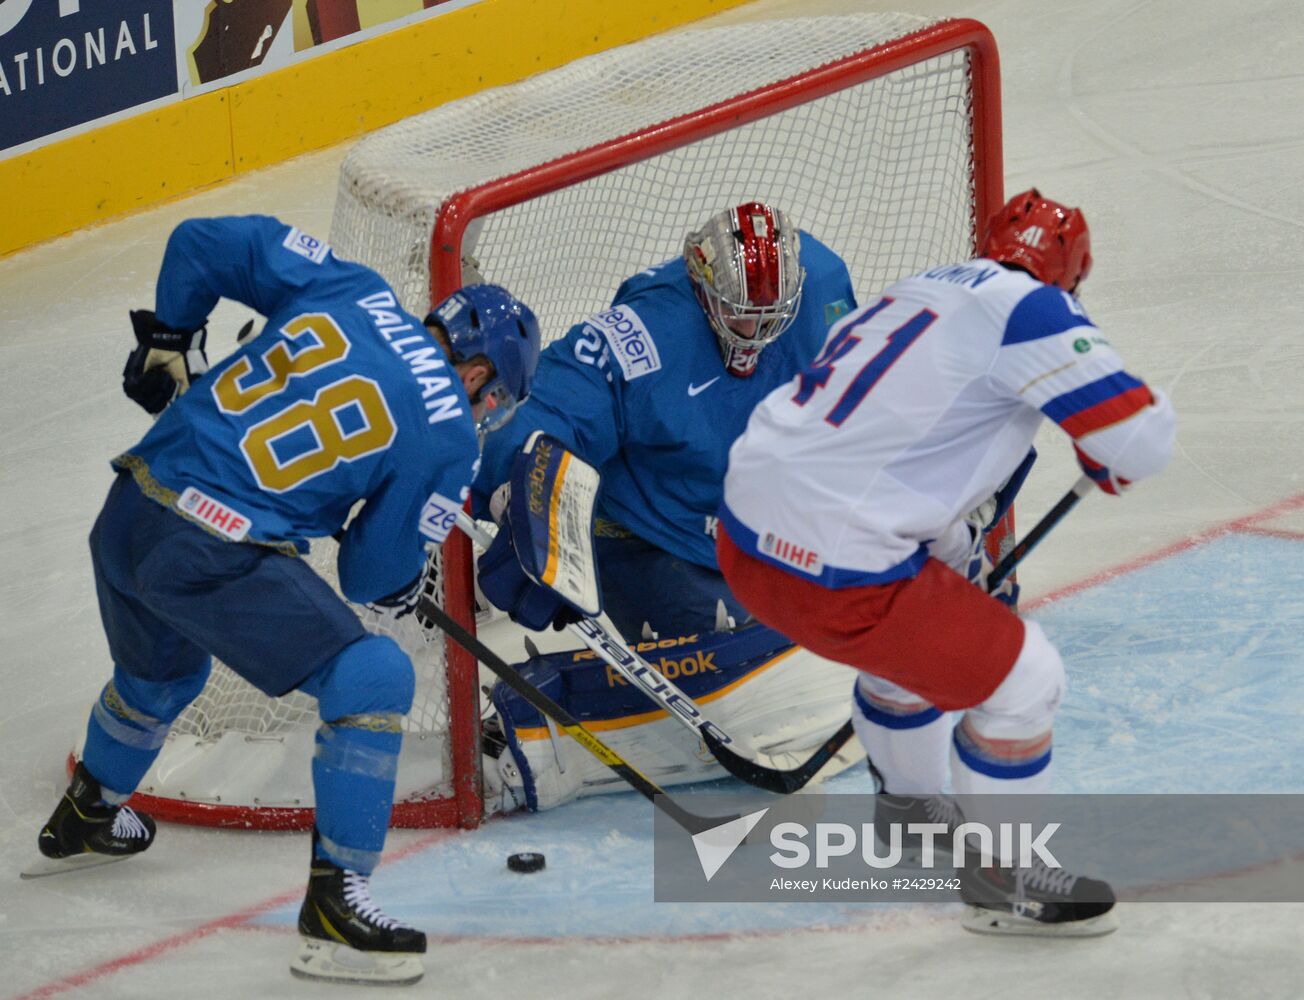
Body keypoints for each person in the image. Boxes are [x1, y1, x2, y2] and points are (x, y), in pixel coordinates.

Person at [29, 215, 541, 986]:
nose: (485, 414)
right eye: (493, 397)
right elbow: (369, 576)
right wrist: (409, 581)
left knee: (163, 678)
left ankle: (88, 814)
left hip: (130, 507)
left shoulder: (354, 289)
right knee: (372, 677)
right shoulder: (449, 433)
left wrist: (170, 336)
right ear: (476, 375)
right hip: (209, 544)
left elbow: (201, 243)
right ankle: (338, 910)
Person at [717, 189, 1177, 936]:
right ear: (1070, 276)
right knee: (1026, 680)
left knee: (937, 584)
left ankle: (910, 809)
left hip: (744, 542)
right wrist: (1108, 454)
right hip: (836, 574)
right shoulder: (1036, 310)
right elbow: (1139, 442)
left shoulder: (918, 289)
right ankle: (1004, 877)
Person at [472, 200, 857, 641]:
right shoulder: (647, 330)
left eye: (770, 318)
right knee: (743, 643)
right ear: (703, 284)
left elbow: (857, 388)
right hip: (653, 533)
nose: (755, 334)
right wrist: (521, 487)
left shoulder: (822, 283)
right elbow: (559, 399)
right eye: (738, 315)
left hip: (762, 523)